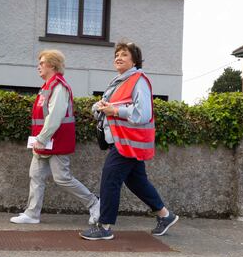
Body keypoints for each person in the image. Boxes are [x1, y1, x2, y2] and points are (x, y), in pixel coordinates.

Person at [81, 41, 178, 240]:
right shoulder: (118, 82)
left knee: (110, 179)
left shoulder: (138, 80)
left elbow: (143, 113)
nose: (118, 57)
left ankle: (104, 227)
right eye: (116, 54)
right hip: (123, 141)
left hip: (127, 142)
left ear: (134, 60)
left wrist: (114, 110)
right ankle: (165, 215)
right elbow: (106, 107)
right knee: (137, 182)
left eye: (124, 54)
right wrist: (99, 106)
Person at [10, 50, 101, 225]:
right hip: (45, 140)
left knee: (62, 178)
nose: (39, 66)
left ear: (52, 65)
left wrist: (41, 139)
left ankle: (95, 203)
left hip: (54, 141)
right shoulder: (48, 86)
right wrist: (41, 139)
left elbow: (55, 116)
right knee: (35, 175)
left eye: (42, 63)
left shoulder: (58, 86)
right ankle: (32, 214)